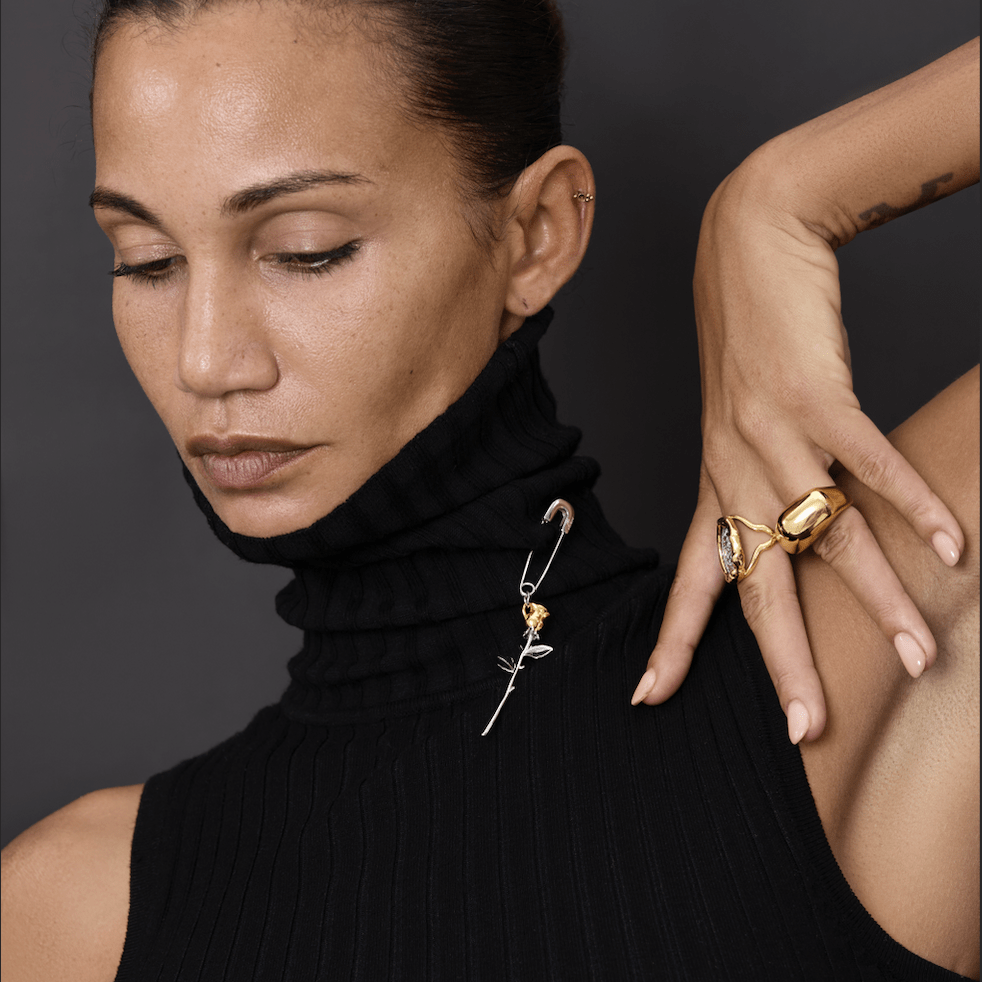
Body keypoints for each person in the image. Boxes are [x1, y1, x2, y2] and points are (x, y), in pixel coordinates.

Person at [0, 3, 977, 981]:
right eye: (148, 261)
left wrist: (778, 203)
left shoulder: (850, 661)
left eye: (304, 248)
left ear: (537, 235)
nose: (205, 359)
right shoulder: (73, 913)